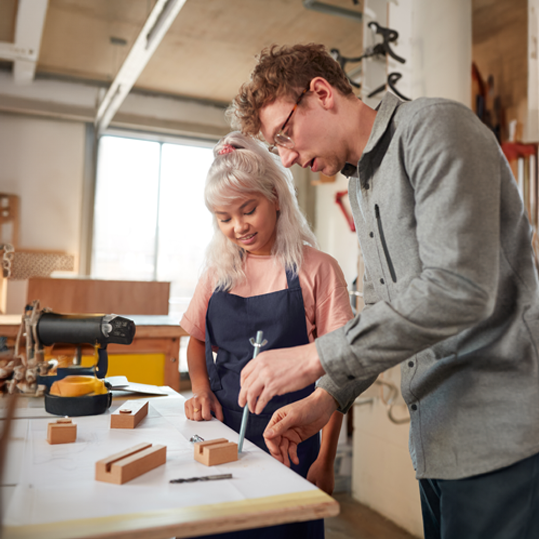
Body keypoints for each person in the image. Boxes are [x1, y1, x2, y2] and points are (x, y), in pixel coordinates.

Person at [228, 43, 539, 539]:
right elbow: (381, 311)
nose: (286, 157)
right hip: (436, 446)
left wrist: (313, 357)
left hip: (498, 441)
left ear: (322, 93)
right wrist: (327, 397)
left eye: (284, 134)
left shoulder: (434, 129)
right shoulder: (362, 185)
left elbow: (458, 288)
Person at [180, 130, 353, 539]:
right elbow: (196, 340)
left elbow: (342, 370)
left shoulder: (317, 270)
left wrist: (326, 460)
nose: (238, 227)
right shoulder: (217, 274)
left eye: (247, 210)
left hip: (291, 449)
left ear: (276, 198)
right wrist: (201, 389)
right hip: (220, 443)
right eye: (224, 218)